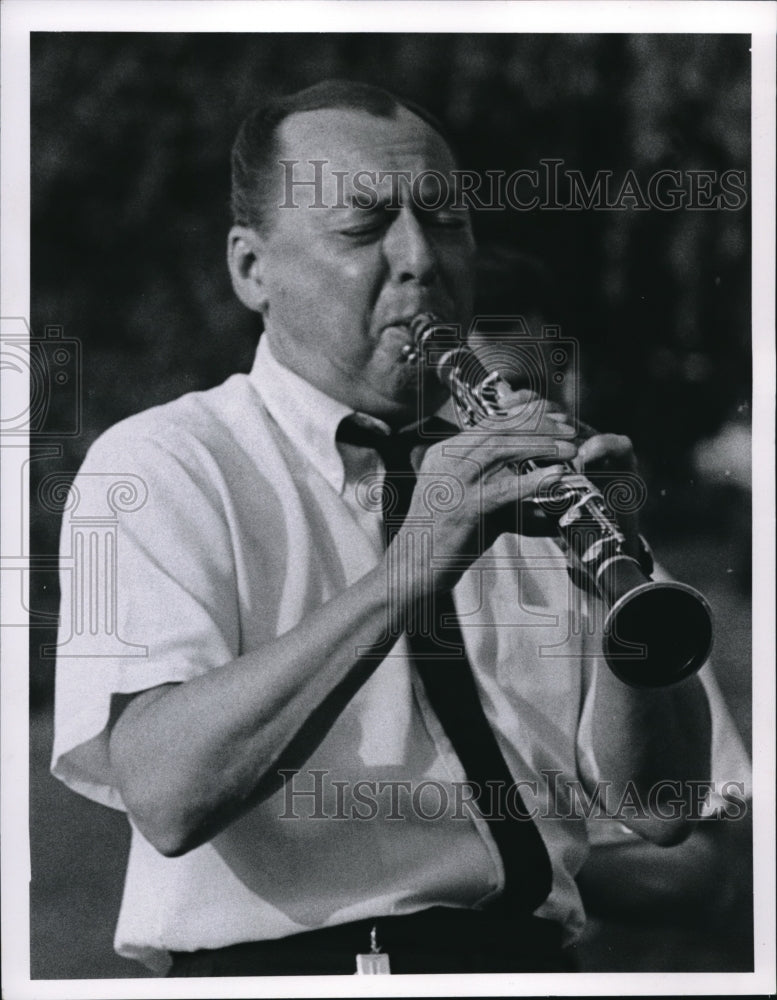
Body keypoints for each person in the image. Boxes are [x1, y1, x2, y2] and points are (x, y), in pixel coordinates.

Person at [51, 80, 749, 977]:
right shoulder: (166, 462)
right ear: (250, 270)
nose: (421, 258)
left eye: (446, 221)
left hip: (525, 965)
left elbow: (660, 808)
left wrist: (619, 596)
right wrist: (414, 563)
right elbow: (165, 795)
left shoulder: (518, 461)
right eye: (361, 227)